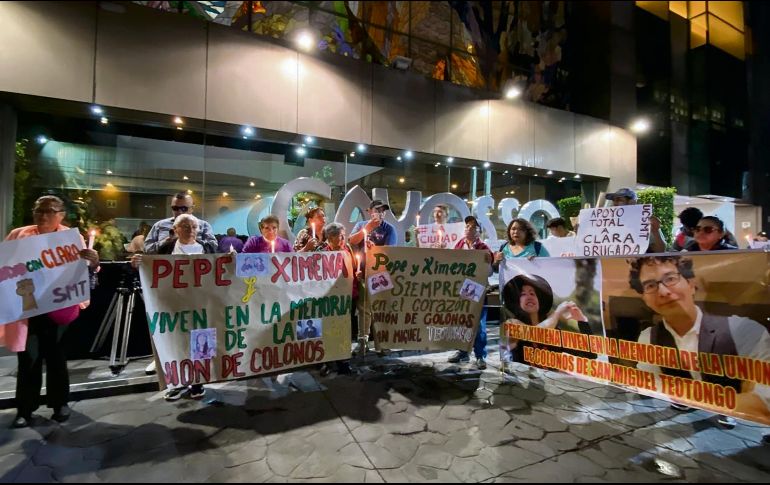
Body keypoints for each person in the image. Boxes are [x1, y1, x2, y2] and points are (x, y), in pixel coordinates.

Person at [629, 255, 770, 426]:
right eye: (650, 285)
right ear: (644, 298)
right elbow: (648, 390)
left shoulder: (742, 330)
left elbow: (762, 404)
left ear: (691, 283)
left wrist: (678, 394)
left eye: (671, 279)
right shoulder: (649, 338)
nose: (663, 291)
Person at [1, 195, 100, 428]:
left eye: (50, 211)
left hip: (58, 306)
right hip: (27, 307)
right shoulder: (19, 235)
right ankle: (25, 409)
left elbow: (86, 272)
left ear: (61, 215)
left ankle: (60, 404)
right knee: (28, 359)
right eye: (39, 210)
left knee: (57, 357)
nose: (44, 215)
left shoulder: (71, 238)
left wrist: (93, 261)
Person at [132, 214, 214, 401]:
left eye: (193, 227)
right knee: (175, 341)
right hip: (174, 303)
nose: (190, 230)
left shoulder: (207, 248)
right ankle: (176, 383)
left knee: (200, 343)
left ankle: (198, 382)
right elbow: (151, 267)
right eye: (184, 226)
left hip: (201, 303)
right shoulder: (166, 248)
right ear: (175, 230)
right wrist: (139, 262)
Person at [501, 274, 589, 365]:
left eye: (532, 293)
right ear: (517, 302)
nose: (529, 296)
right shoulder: (511, 324)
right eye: (523, 294)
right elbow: (536, 334)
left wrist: (582, 321)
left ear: (539, 301)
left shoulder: (554, 330)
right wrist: (557, 313)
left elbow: (589, 354)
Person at [349, 200, 397, 355]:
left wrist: (374, 248)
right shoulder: (361, 225)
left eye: (383, 210)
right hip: (362, 273)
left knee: (380, 308)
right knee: (363, 308)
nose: (381, 213)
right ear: (370, 211)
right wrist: (367, 228)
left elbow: (388, 252)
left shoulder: (389, 229)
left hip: (380, 275)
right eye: (377, 210)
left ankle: (382, 343)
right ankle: (362, 340)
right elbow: (352, 241)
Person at [447, 216, 493, 369]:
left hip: (478, 291)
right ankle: (462, 351)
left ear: (479, 232)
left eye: (473, 227)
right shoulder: (459, 244)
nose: (469, 229)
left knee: (479, 325)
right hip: (461, 292)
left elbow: (489, 270)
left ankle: (480, 356)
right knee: (462, 322)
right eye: (467, 226)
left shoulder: (484, 248)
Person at [144, 192, 217, 254]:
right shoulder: (160, 225)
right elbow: (147, 248)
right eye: (175, 208)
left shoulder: (204, 225)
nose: (179, 212)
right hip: (167, 267)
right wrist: (167, 241)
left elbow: (213, 247)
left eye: (184, 208)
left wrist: (192, 239)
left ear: (192, 208)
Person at [605, 188, 667, 253]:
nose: (615, 203)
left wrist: (655, 232)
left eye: (619, 200)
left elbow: (660, 251)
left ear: (632, 202)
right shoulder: (607, 224)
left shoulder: (645, 222)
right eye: (614, 200)